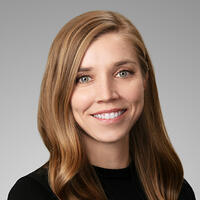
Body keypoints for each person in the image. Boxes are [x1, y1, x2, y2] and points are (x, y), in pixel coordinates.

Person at [8, 10, 196, 200]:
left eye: (122, 73)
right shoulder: (32, 194)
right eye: (84, 78)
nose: (107, 95)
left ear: (145, 80)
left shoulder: (175, 190)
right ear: (60, 91)